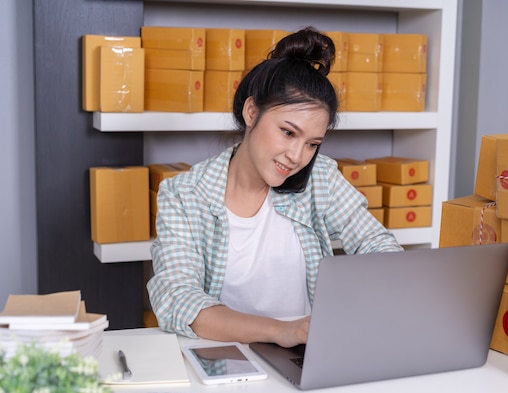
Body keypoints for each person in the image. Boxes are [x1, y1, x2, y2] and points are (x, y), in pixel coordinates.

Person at [147, 26, 403, 348]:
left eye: (312, 143)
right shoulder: (184, 195)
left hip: (307, 355)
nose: (297, 157)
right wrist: (281, 331)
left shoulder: (320, 177)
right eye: (287, 132)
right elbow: (180, 300)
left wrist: (382, 289)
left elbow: (376, 243)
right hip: (225, 356)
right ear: (252, 112)